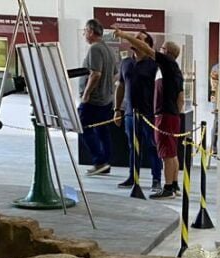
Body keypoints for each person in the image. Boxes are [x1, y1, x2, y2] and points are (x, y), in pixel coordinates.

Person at [114, 29, 184, 200]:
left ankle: (166, 187)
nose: (160, 50)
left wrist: (124, 34)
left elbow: (180, 98)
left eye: (163, 49)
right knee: (170, 152)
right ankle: (173, 184)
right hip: (163, 114)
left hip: (162, 115)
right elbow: (180, 96)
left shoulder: (166, 63)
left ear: (167, 53)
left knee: (165, 152)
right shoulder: (168, 68)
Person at [114, 31, 161, 192]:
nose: (133, 40)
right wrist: (117, 109)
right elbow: (120, 86)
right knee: (132, 146)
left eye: (138, 38)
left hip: (149, 114)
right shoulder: (126, 62)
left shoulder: (154, 64)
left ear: (147, 44)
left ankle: (156, 179)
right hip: (129, 113)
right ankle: (133, 177)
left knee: (153, 146)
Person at [78, 19, 117, 176]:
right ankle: (105, 162)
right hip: (106, 99)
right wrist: (107, 89)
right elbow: (115, 74)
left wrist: (86, 94)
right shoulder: (108, 49)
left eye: (85, 31)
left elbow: (95, 74)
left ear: (91, 32)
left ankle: (99, 161)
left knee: (83, 127)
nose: (84, 34)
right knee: (102, 130)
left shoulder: (95, 49)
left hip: (94, 100)